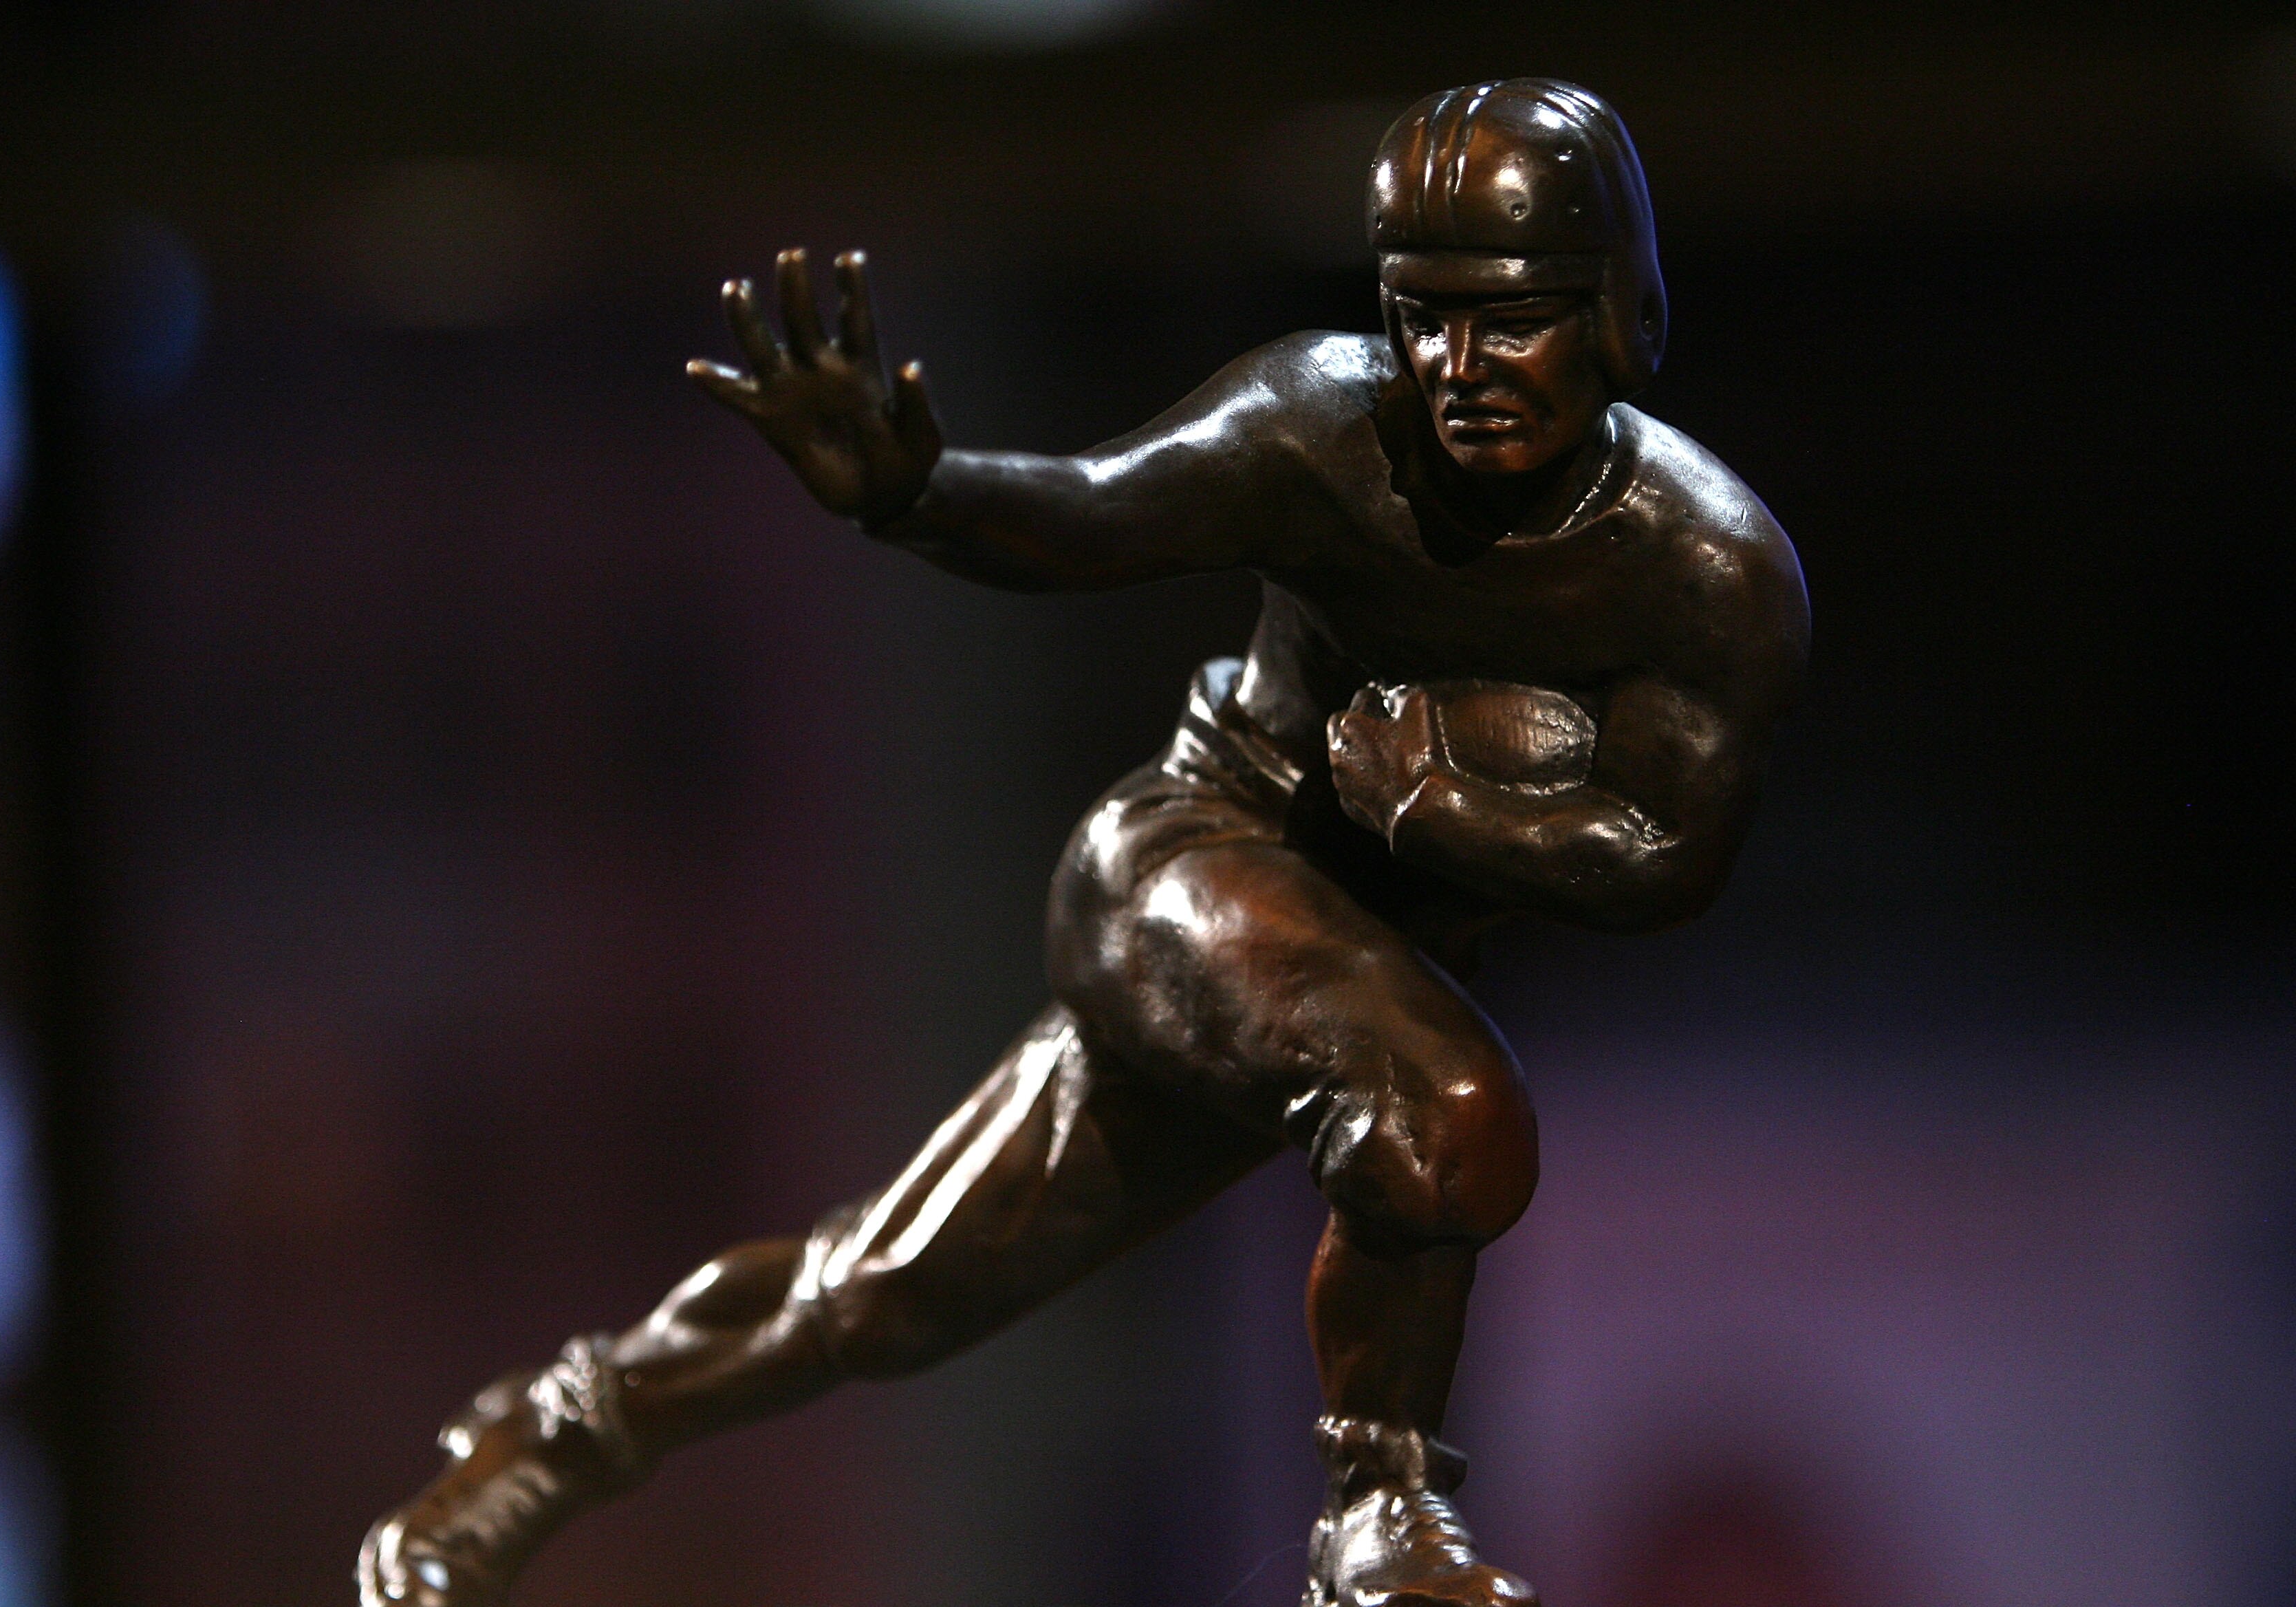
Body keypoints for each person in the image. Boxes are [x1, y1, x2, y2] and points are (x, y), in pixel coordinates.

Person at [359, 78, 1810, 1607]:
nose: (1458, 370)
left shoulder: (1708, 572)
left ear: (1620, 316)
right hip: (1193, 871)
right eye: (1422, 319)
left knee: (892, 1292)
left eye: (1509, 321)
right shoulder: (1323, 425)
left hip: (1345, 984)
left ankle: (549, 1432)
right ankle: (1378, 1515)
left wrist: (1441, 807)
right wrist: (917, 493)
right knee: (1446, 1106)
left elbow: (1667, 854)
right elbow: (1089, 515)